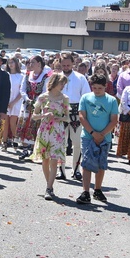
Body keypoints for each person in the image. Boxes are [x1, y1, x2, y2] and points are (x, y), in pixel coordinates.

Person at [76, 72, 119, 205]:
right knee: (87, 163)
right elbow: (82, 116)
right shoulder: (85, 98)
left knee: (101, 164)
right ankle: (85, 191)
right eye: (94, 88)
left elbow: (114, 120)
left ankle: (98, 189)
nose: (97, 91)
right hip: (88, 136)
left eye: (100, 88)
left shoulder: (111, 100)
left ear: (105, 86)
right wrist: (93, 133)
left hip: (104, 138)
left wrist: (102, 134)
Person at [31, 73, 70, 200]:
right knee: (45, 160)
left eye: (64, 83)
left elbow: (67, 118)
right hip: (44, 130)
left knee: (54, 160)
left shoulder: (64, 98)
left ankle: (48, 188)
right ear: (54, 82)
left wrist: (60, 118)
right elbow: (34, 115)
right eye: (61, 83)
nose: (63, 86)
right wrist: (44, 115)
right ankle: (50, 186)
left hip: (57, 131)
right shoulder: (43, 97)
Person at [59, 52, 91, 181]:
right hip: (60, 111)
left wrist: (83, 114)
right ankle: (61, 170)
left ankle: (76, 169)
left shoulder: (80, 78)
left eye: (68, 64)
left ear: (73, 63)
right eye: (63, 65)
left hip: (76, 113)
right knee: (61, 142)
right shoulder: (55, 77)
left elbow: (86, 97)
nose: (66, 67)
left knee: (77, 143)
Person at [17, 56, 51, 159]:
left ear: (39, 64)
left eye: (33, 62)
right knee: (25, 125)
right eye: (30, 62)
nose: (30, 64)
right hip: (27, 104)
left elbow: (46, 91)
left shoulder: (46, 77)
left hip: (39, 105)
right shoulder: (27, 75)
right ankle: (25, 149)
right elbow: (22, 89)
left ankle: (34, 149)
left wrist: (38, 101)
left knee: (35, 125)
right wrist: (27, 98)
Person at [5, 56, 24, 151]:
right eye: (9, 62)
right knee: (5, 122)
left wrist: (13, 102)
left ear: (16, 63)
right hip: (6, 101)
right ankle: (4, 142)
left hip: (16, 102)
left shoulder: (21, 76)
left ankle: (15, 140)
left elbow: (22, 91)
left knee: (13, 122)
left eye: (12, 62)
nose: (11, 64)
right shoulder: (5, 75)